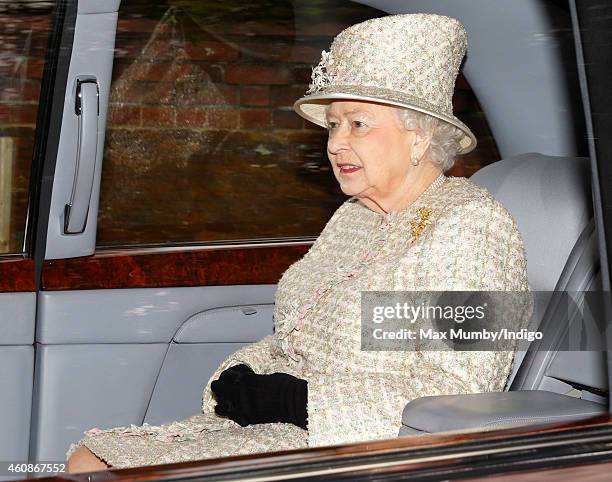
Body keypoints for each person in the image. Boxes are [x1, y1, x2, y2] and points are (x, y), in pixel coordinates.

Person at [66, 13, 531, 472]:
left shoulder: (473, 228)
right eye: (333, 125)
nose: (335, 144)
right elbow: (296, 336)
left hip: (361, 449)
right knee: (91, 459)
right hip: (288, 431)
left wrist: (299, 401)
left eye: (358, 124)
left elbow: (466, 390)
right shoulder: (355, 217)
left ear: (421, 135)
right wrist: (240, 375)